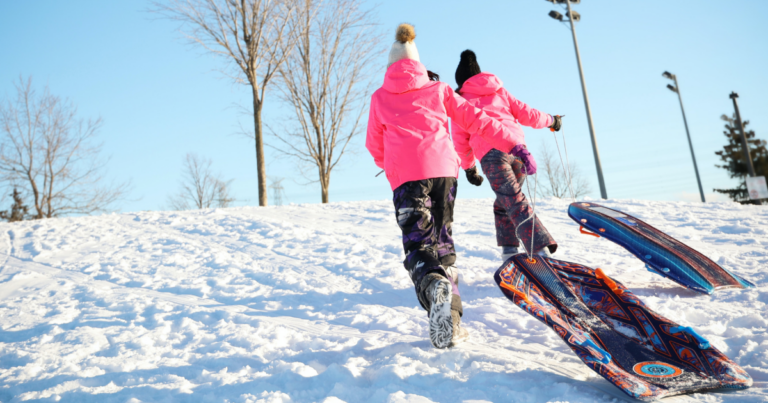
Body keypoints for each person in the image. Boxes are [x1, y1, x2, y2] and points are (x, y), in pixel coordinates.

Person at [366, 24, 519, 349]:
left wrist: (389, 165)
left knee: (420, 244)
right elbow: (475, 118)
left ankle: (433, 283)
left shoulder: (379, 97)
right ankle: (451, 319)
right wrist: (513, 142)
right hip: (444, 174)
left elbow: (373, 144)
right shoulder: (438, 89)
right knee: (443, 244)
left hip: (407, 178)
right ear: (417, 63)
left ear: (390, 66)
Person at [452, 49, 563, 261]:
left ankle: (540, 249)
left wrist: (469, 169)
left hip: (492, 157)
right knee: (505, 201)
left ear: (461, 81)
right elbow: (528, 114)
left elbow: (460, 141)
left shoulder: (461, 102)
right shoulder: (500, 92)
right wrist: (552, 120)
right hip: (517, 153)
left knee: (513, 201)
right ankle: (509, 250)